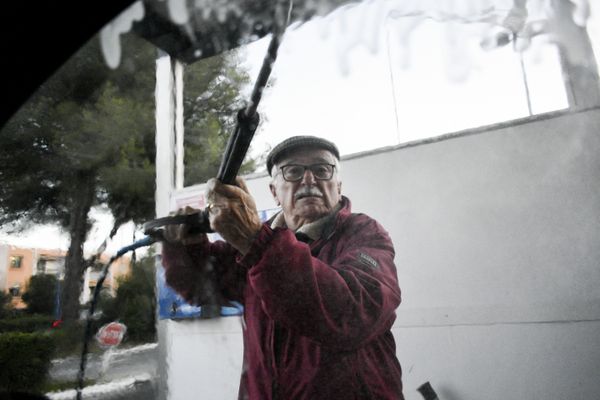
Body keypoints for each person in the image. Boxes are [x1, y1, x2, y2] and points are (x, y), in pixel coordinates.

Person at [162, 135, 404, 399]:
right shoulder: (254, 243)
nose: (309, 180)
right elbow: (202, 287)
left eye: (322, 170)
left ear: (338, 185)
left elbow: (354, 313)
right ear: (274, 191)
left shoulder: (364, 233)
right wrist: (185, 246)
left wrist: (255, 241)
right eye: (293, 171)